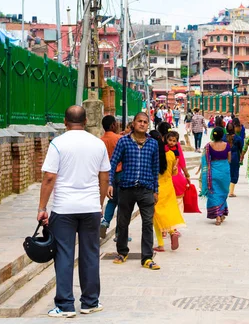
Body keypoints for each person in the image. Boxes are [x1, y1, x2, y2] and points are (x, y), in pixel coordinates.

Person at [37, 106, 110, 318]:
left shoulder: (57, 144)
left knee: (64, 255)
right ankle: (90, 302)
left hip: (64, 208)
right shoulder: (98, 144)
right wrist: (99, 203)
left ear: (64, 122)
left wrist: (42, 207)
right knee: (89, 254)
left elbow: (49, 178)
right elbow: (104, 178)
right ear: (86, 120)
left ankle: (65, 305)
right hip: (90, 208)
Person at [109, 112, 160, 270]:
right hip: (126, 187)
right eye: (140, 121)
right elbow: (113, 163)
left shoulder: (153, 144)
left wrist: (155, 190)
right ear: (133, 123)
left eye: (145, 122)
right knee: (123, 222)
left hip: (146, 189)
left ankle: (147, 257)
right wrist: (110, 183)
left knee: (147, 223)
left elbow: (155, 167)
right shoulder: (123, 142)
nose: (142, 124)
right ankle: (122, 252)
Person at [149, 130, 185, 252]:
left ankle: (160, 244)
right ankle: (172, 231)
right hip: (169, 187)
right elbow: (174, 172)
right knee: (168, 212)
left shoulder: (152, 155)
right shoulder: (170, 154)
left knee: (156, 216)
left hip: (156, 188)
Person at [157, 123, 189, 219]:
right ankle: (174, 226)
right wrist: (187, 175)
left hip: (161, 178)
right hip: (175, 177)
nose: (171, 142)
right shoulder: (176, 145)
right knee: (177, 202)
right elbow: (181, 161)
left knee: (163, 203)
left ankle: (164, 227)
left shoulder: (157, 143)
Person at [200, 127, 231, 225]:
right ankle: (220, 213)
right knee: (223, 192)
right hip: (224, 172)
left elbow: (204, 160)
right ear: (223, 135)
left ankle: (218, 216)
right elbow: (229, 159)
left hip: (213, 172)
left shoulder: (208, 146)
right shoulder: (227, 145)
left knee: (214, 193)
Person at [100, 115, 123, 240]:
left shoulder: (101, 141)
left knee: (112, 200)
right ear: (113, 125)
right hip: (120, 173)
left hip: (107, 175)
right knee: (122, 203)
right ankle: (119, 233)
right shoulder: (120, 139)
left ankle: (105, 222)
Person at [225, 122, 243, 198]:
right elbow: (241, 148)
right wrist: (241, 158)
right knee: (234, 173)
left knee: (226, 173)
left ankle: (226, 190)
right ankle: (231, 192)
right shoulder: (238, 138)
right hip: (235, 157)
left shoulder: (223, 138)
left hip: (225, 157)